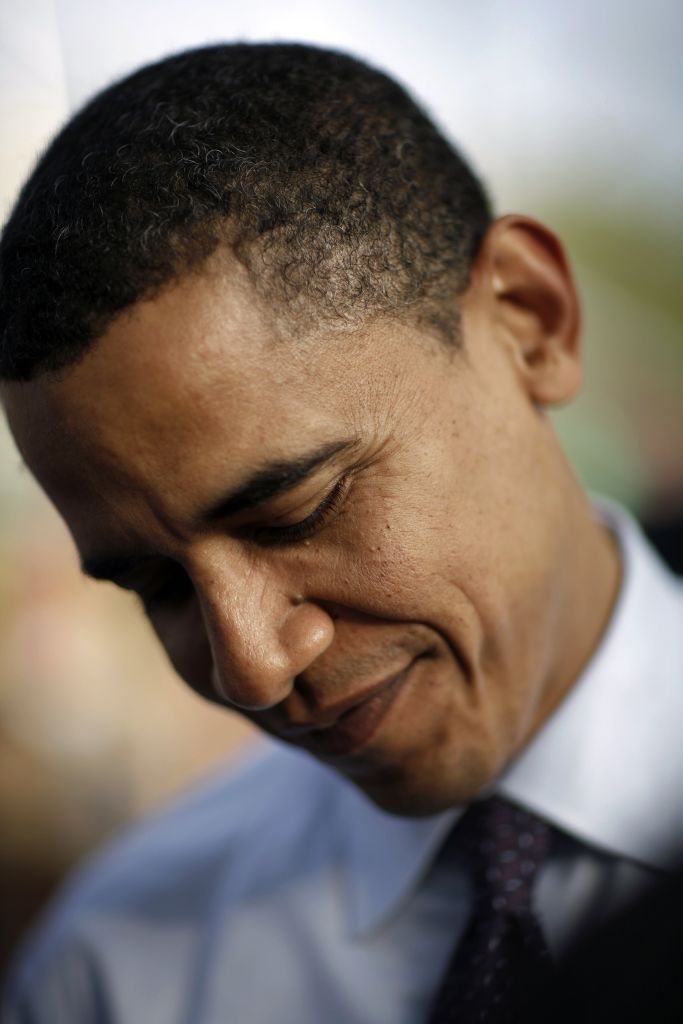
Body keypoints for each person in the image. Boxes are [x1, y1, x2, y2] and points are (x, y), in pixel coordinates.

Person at [0, 42, 681, 1024]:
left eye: (297, 511)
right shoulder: (115, 973)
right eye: (156, 586)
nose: (253, 668)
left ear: (529, 320)